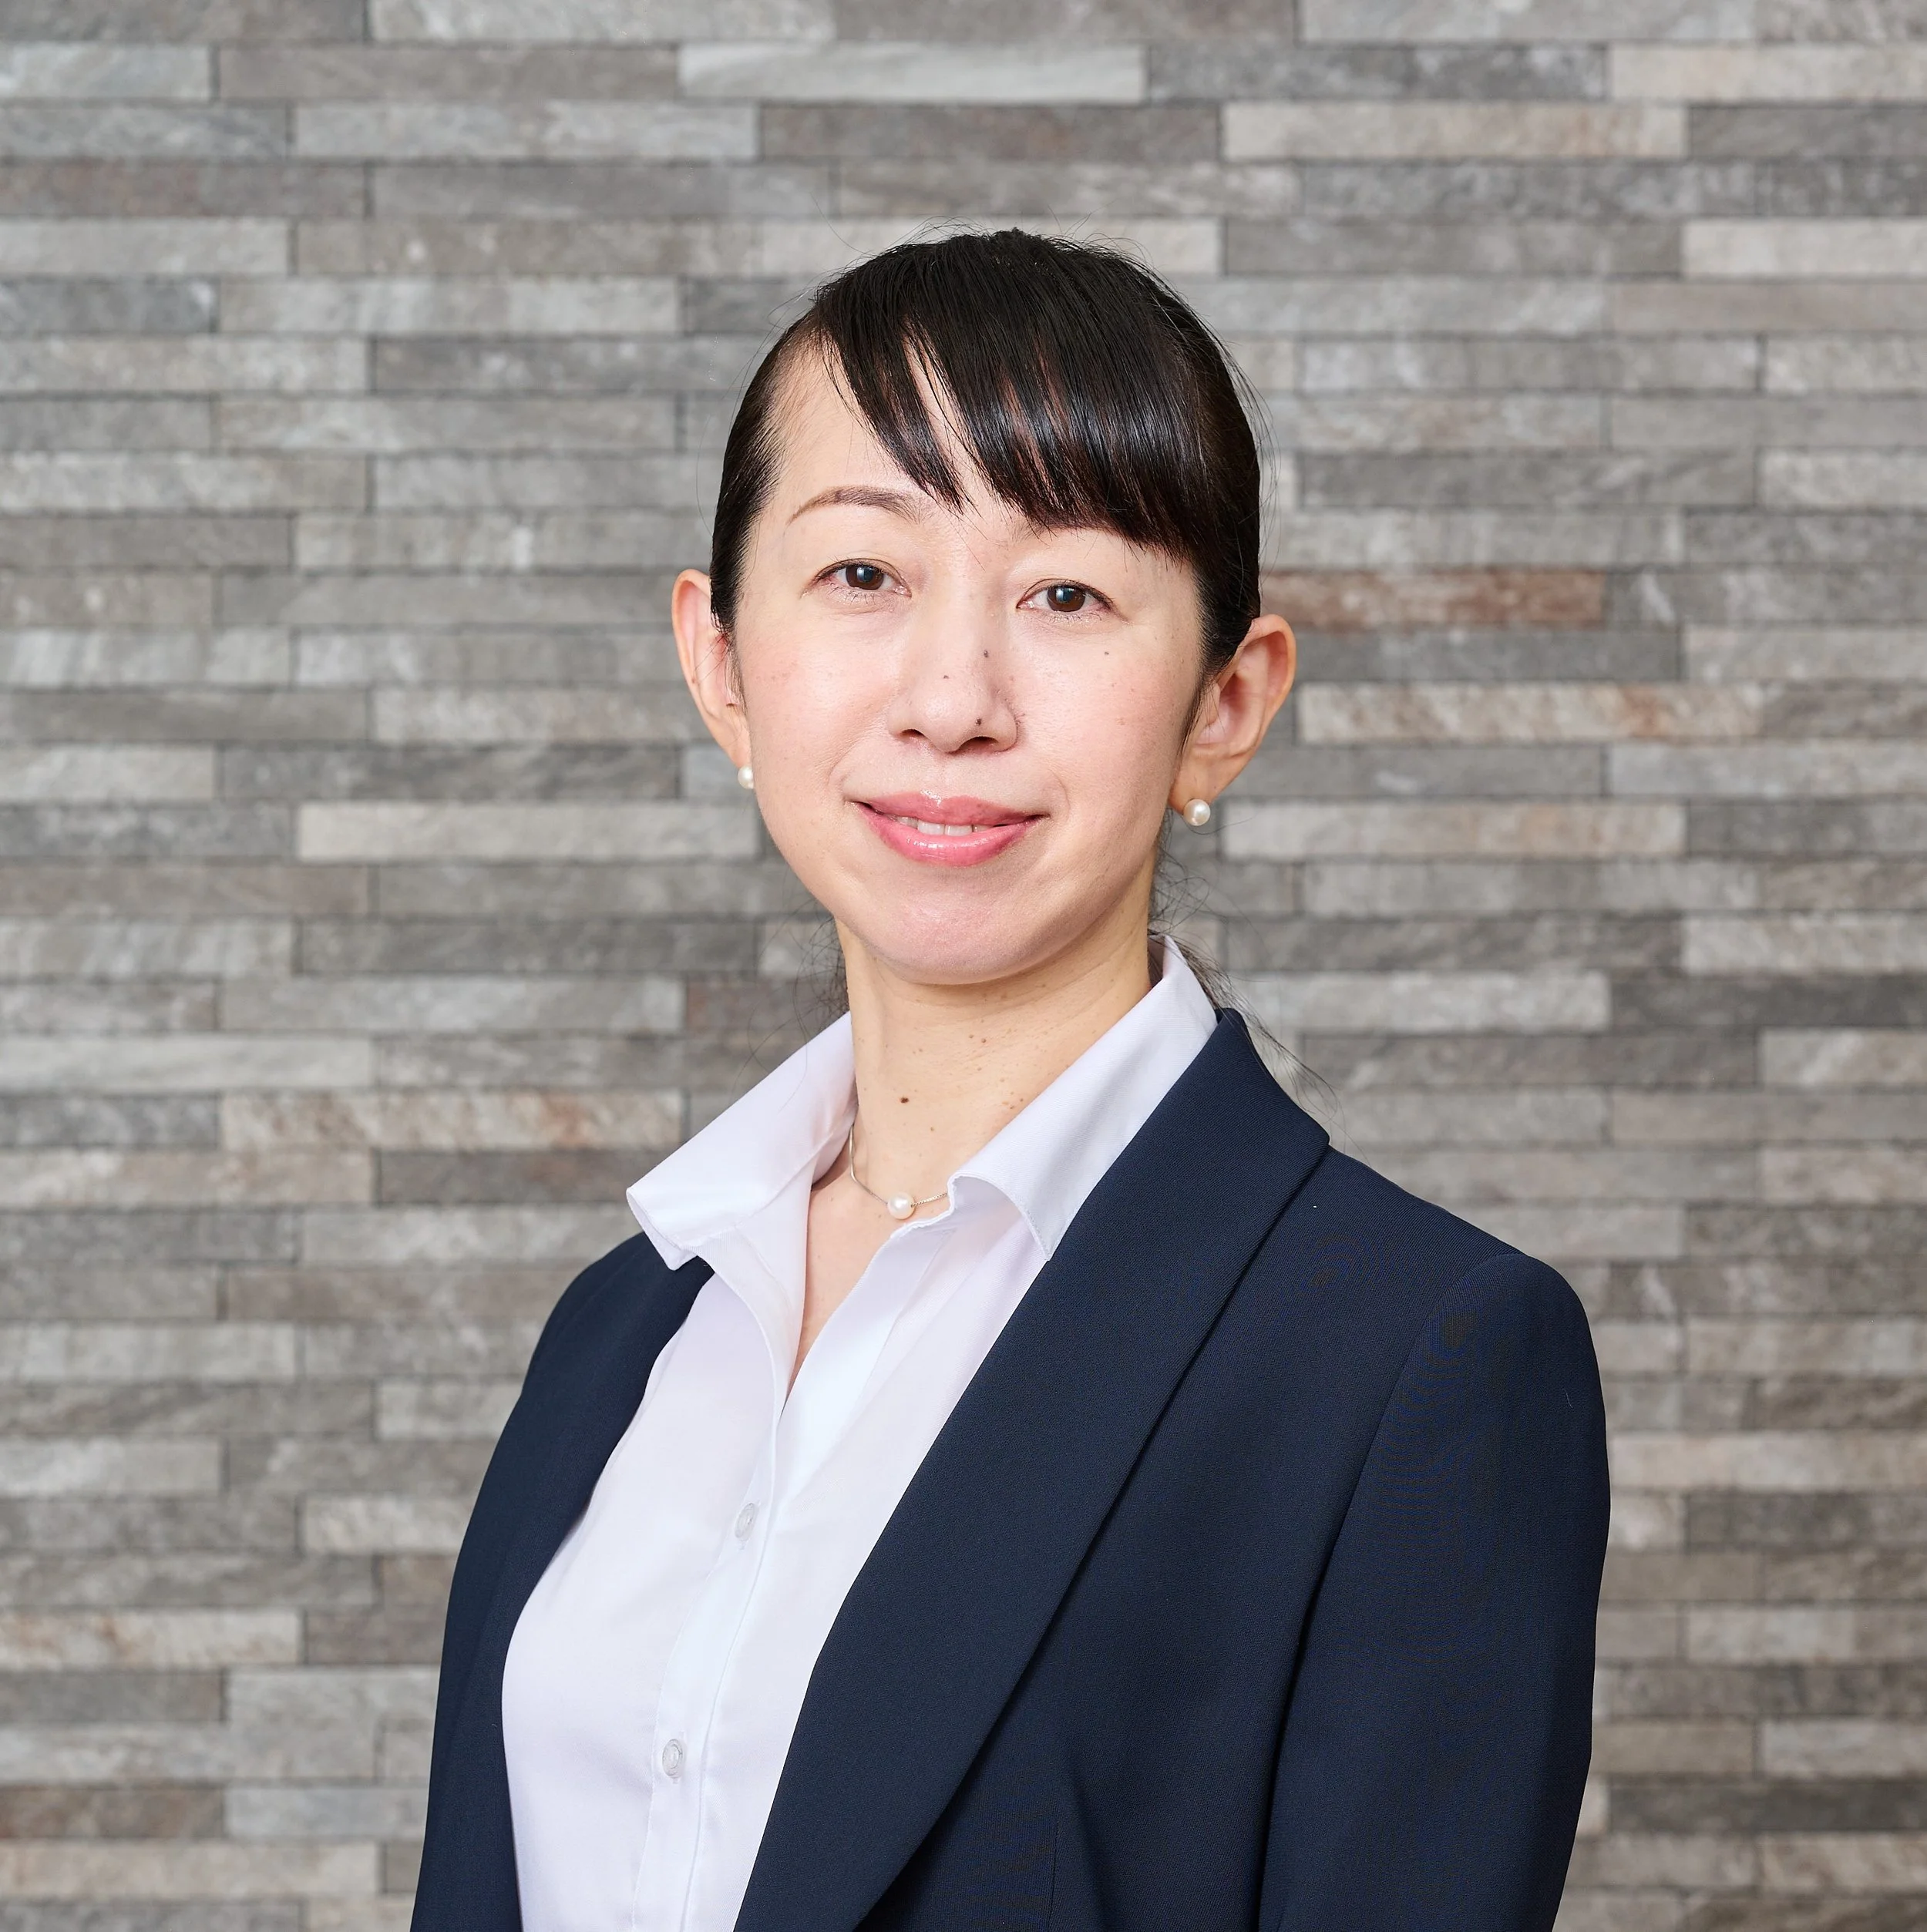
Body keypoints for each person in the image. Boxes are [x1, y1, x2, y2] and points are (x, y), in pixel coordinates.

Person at [410, 229, 1609, 1932]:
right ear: (721, 662)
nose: (952, 699)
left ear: (1225, 701)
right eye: (862, 573)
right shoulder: (631, 1323)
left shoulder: (1414, 1362)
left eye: (1066, 595)